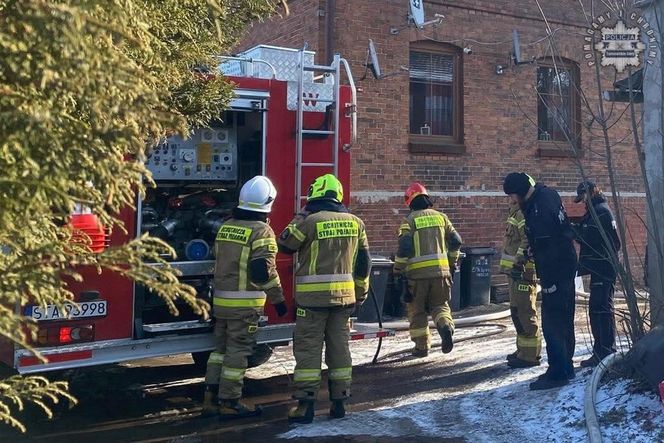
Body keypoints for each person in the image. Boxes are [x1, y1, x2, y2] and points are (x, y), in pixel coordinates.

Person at [277, 173, 370, 424]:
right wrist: (359, 294)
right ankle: (339, 401)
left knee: (309, 350)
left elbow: (285, 244)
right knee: (340, 348)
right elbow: (364, 264)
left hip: (312, 301)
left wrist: (302, 213)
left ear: (315, 194)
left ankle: (305, 406)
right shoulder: (356, 223)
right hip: (344, 300)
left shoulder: (310, 221)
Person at [203, 175, 288, 418]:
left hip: (221, 303)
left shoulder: (226, 226)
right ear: (268, 203)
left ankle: (209, 399)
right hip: (245, 306)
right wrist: (278, 300)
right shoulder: (262, 231)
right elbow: (263, 271)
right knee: (238, 353)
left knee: (219, 351)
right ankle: (230, 402)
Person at [503, 172, 577, 390]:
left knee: (553, 320)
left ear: (522, 191)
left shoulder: (538, 209)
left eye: (513, 195)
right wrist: (526, 254)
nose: (513, 200)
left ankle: (558, 373)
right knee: (564, 316)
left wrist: (547, 276)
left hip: (555, 268)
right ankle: (566, 366)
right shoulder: (547, 195)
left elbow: (545, 243)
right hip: (564, 264)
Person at [393, 183, 462, 357]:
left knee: (417, 311)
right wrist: (452, 262)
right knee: (440, 306)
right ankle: (445, 326)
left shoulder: (409, 221)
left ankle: (422, 347)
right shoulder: (442, 218)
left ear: (409, 201)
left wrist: (398, 268)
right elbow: (456, 241)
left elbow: (405, 247)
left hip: (417, 276)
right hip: (441, 273)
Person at [572, 181, 621, 367]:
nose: (583, 201)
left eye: (584, 197)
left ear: (591, 192)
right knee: (599, 308)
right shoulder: (598, 210)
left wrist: (573, 231)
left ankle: (604, 352)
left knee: (600, 310)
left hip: (603, 268)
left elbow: (592, 238)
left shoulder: (600, 212)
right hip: (601, 267)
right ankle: (602, 350)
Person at [500, 200, 542, 368]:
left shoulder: (523, 214)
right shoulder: (514, 213)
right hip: (514, 272)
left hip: (522, 272)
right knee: (517, 312)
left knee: (525, 312)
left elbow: (528, 240)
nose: (510, 197)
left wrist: (519, 263)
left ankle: (531, 355)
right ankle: (523, 351)